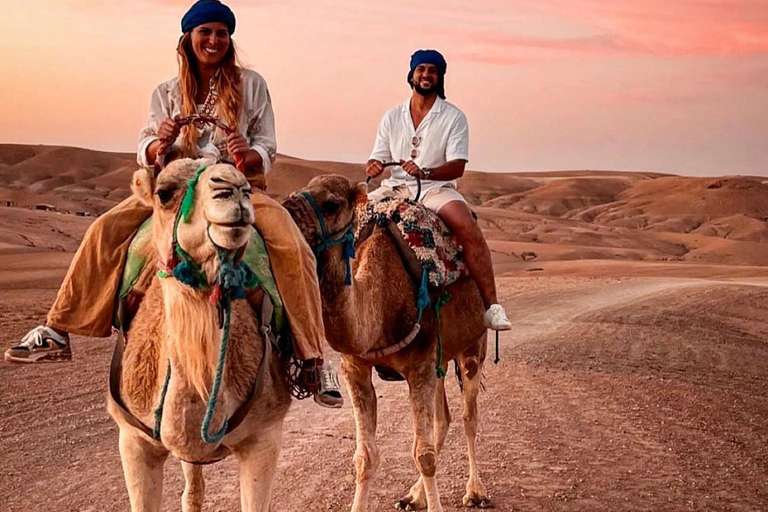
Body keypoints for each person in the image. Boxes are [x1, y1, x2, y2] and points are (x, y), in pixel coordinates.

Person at [4, 0, 343, 408]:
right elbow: (144, 144)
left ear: (229, 40)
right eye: (206, 32)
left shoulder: (251, 84)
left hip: (234, 184)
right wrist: (157, 144)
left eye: (221, 33)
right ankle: (57, 328)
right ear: (189, 37)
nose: (214, 40)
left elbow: (267, 143)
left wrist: (247, 153)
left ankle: (313, 357)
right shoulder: (166, 91)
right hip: (177, 187)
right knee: (105, 229)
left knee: (292, 244)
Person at [366, 49, 512, 332]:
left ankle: (492, 306)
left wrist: (426, 172)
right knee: (352, 218)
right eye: (421, 70)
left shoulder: (453, 117)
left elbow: (457, 166)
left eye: (432, 70)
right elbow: (378, 157)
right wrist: (374, 166)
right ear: (411, 75)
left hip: (435, 189)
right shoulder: (392, 116)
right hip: (396, 188)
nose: (426, 75)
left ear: (440, 77)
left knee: (466, 226)